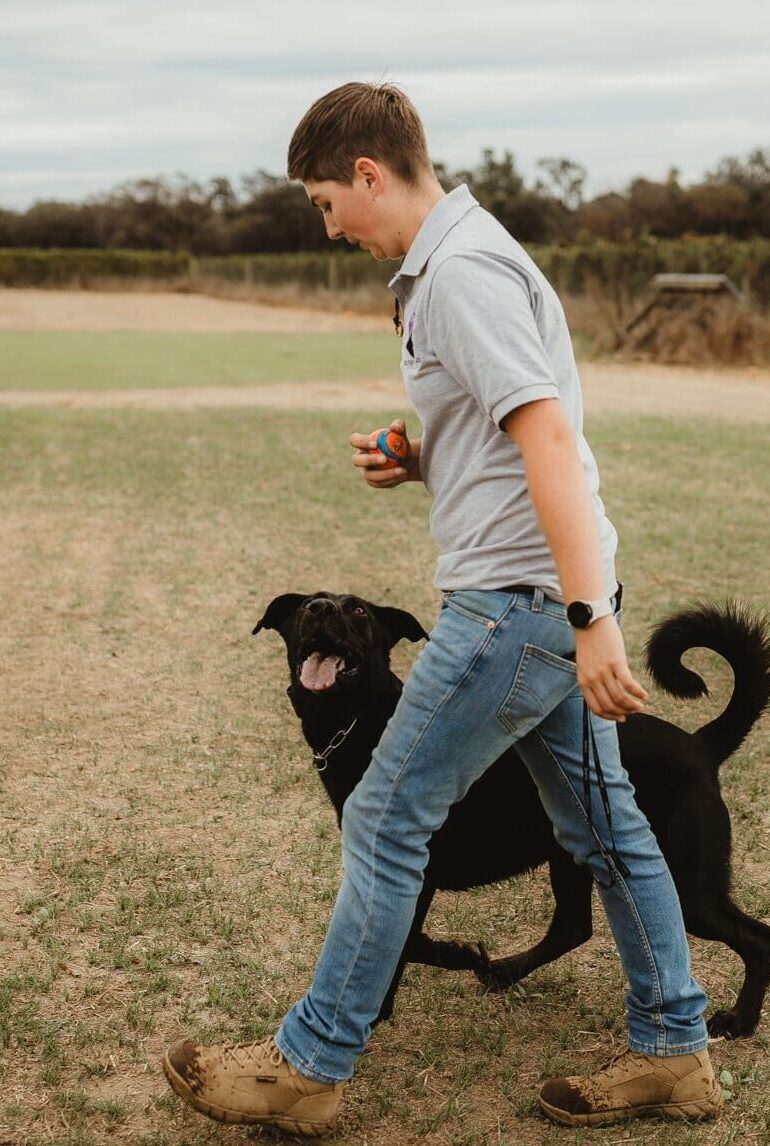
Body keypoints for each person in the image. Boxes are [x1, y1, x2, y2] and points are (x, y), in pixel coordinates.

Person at [162, 82, 724, 1136]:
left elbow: (550, 439)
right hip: (542, 595)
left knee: (382, 816)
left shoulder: (459, 272)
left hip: (517, 608)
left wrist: (590, 616)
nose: (330, 228)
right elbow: (510, 442)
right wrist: (427, 461)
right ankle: (675, 1054)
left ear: (368, 173)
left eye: (327, 203)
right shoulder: (463, 258)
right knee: (605, 828)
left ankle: (308, 1066)